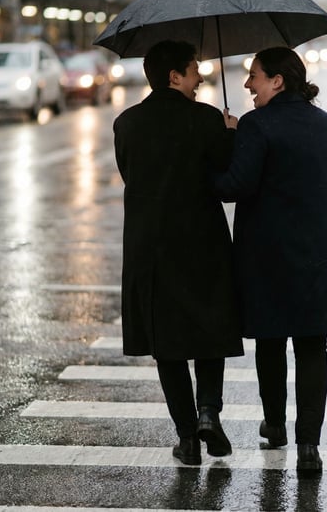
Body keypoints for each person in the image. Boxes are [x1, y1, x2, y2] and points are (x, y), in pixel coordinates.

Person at [215, 46, 327, 474]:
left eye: (253, 75)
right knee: (313, 347)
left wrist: (228, 143)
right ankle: (309, 445)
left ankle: (275, 425)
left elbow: (234, 186)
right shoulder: (325, 123)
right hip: (317, 251)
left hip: (267, 254)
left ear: (277, 80)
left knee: (271, 343)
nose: (247, 84)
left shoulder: (257, 124)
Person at [113, 40, 243, 466]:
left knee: (166, 344)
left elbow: (131, 174)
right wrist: (229, 134)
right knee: (210, 333)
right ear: (174, 76)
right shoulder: (207, 119)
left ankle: (187, 438)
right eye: (193, 71)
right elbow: (225, 178)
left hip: (150, 248)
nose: (200, 77)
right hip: (202, 243)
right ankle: (209, 412)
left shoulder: (126, 124)